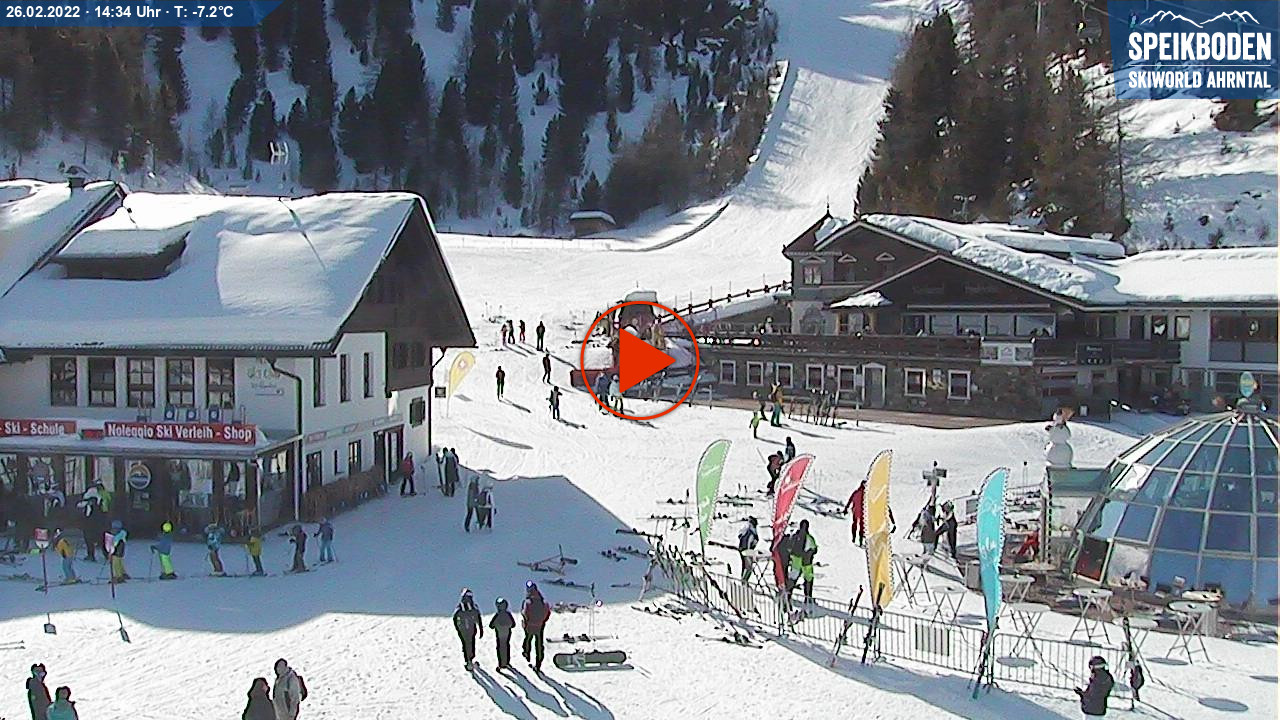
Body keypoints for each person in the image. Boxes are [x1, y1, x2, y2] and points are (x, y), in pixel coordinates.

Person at [521, 581, 550, 672]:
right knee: (539, 644)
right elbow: (547, 612)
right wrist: (542, 621)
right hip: (540, 626)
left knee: (528, 639)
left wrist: (526, 621)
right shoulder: (542, 601)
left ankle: (526, 653)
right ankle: (538, 664)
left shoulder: (528, 602)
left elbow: (525, 613)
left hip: (530, 625)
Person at [788, 519, 818, 605]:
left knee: (793, 578)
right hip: (806, 562)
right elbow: (814, 549)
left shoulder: (795, 536)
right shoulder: (809, 538)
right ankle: (808, 598)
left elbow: (790, 547)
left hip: (796, 561)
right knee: (808, 579)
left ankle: (788, 595)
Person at [453, 589, 483, 670]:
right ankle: (469, 659)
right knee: (470, 643)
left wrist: (457, 627)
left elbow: (455, 617)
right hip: (471, 628)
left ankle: (469, 660)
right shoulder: (473, 606)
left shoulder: (460, 606)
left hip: (463, 629)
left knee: (466, 644)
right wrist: (480, 628)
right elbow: (478, 617)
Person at [489, 597, 516, 670]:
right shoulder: (508, 614)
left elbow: (491, 626)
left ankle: (501, 663)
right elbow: (513, 625)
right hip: (507, 634)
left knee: (500, 648)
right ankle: (507, 662)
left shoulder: (497, 615)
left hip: (499, 635)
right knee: (506, 646)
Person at [843, 480, 866, 547]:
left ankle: (854, 539)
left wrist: (846, 508)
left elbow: (850, 500)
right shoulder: (866, 494)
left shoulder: (856, 492)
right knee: (861, 527)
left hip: (856, 512)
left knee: (855, 524)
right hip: (862, 513)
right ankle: (860, 541)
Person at [737, 517, 759, 582]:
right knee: (748, 567)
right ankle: (744, 581)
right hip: (746, 550)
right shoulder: (751, 532)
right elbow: (748, 543)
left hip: (744, 549)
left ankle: (744, 580)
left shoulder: (747, 530)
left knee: (745, 566)